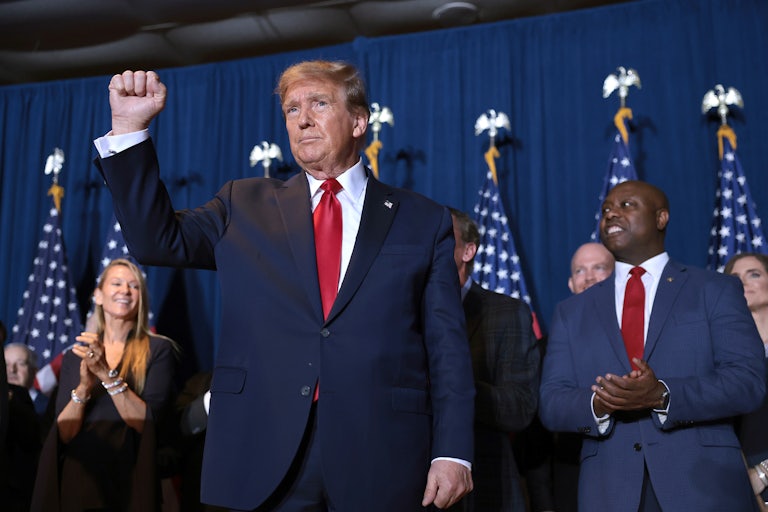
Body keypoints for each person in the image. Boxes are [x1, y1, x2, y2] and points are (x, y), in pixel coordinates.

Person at [92, 62, 475, 511]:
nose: (302, 118)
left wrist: (452, 451)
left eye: (318, 103)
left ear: (358, 121)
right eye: (291, 108)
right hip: (262, 451)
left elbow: (446, 347)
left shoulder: (421, 219)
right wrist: (129, 130)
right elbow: (156, 241)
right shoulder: (243, 204)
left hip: (380, 454)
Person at [539, 180, 766, 511]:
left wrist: (662, 395)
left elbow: (747, 382)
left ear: (661, 218)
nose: (611, 213)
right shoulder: (571, 311)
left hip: (704, 488)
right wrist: (601, 404)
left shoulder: (715, 290)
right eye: (605, 210)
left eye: (627, 205)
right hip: (608, 492)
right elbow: (551, 402)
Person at [31, 258, 178, 512]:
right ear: (98, 296)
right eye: (117, 283)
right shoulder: (75, 355)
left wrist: (105, 375)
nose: (125, 291)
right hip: (80, 480)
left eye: (134, 286)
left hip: (131, 480)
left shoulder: (159, 349)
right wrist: (84, 389)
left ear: (141, 297)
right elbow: (64, 433)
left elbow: (147, 422)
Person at [447, 208, 539, 512]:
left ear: (468, 250)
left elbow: (519, 408)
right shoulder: (400, 314)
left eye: (442, 239)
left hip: (483, 489)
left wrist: (450, 385)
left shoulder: (506, 313)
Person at [725, 252, 768, 509]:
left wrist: (762, 474)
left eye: (754, 274)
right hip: (737, 485)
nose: (743, 283)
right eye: (734, 278)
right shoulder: (719, 358)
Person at [4, 343, 49, 417]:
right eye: (6, 364)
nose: (12, 370)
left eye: (20, 364)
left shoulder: (48, 407)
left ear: (34, 371)